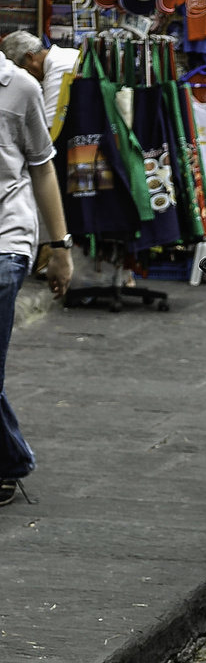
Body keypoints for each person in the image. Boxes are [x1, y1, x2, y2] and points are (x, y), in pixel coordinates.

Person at [0, 47, 73, 506]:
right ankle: (10, 458)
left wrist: (60, 247)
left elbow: (42, 168)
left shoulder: (19, 87)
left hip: (5, 239)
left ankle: (9, 460)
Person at [0, 30, 79, 134]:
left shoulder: (59, 67)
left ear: (30, 57)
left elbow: (48, 128)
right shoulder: (62, 55)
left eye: (20, 71)